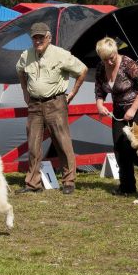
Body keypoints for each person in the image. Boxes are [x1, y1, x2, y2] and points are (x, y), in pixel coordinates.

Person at [15, 22, 88, 195]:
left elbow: (82, 70)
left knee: (62, 142)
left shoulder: (60, 54)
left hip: (56, 103)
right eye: (35, 37)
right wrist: (25, 91)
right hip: (34, 104)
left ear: (48, 37)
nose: (38, 40)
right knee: (33, 145)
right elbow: (20, 71)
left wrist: (72, 94)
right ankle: (33, 183)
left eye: (41, 37)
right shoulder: (26, 55)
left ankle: (69, 181)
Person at [95, 37, 138, 196]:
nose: (110, 63)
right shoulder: (100, 68)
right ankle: (127, 186)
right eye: (105, 60)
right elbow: (100, 91)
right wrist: (100, 105)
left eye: (112, 58)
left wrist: (133, 109)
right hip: (119, 112)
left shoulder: (129, 64)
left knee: (133, 146)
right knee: (120, 148)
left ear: (116, 52)